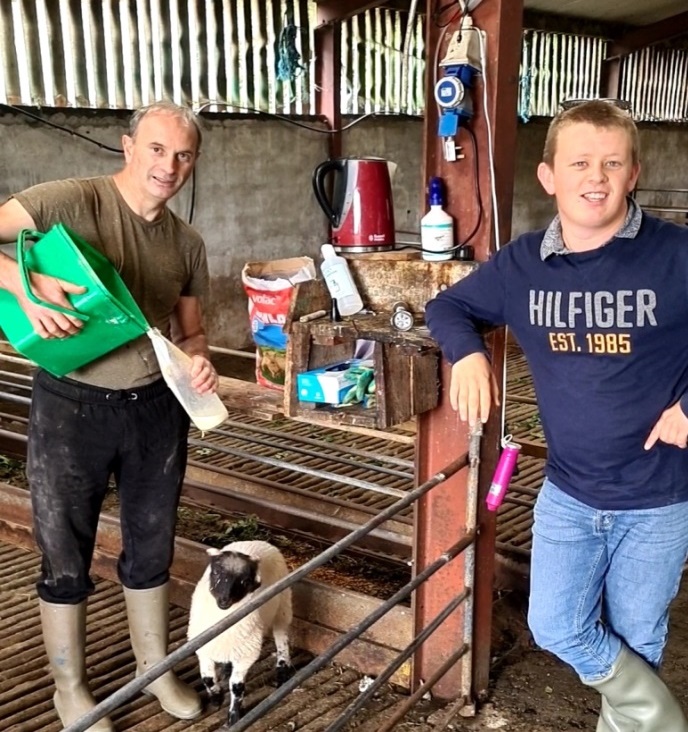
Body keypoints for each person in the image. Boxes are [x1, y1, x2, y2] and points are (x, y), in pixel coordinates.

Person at [425, 100, 688, 731]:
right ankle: (656, 714)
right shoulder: (521, 265)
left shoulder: (676, 256)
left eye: (611, 163)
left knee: (637, 635)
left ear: (633, 173)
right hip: (569, 492)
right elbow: (447, 308)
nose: (595, 177)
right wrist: (466, 356)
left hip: (659, 498)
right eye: (579, 163)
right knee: (555, 624)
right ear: (550, 178)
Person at [0, 101, 219, 730]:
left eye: (182, 155)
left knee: (151, 544)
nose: (168, 166)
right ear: (127, 146)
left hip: (156, 409)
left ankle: (153, 673)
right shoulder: (71, 200)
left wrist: (199, 361)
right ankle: (69, 688)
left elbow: (194, 331)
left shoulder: (186, 242)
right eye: (156, 149)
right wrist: (22, 283)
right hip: (72, 406)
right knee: (65, 549)